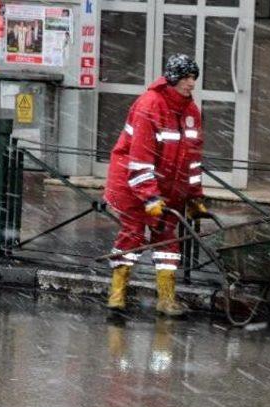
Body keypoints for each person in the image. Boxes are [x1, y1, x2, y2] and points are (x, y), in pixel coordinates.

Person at [104, 54, 208, 316]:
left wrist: (195, 196)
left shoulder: (191, 112)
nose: (191, 83)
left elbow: (193, 160)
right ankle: (117, 296)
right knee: (133, 235)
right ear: (172, 78)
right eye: (186, 77)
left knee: (167, 239)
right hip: (133, 187)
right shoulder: (149, 106)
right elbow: (139, 159)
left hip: (169, 189)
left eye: (193, 77)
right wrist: (150, 197)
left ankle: (166, 300)